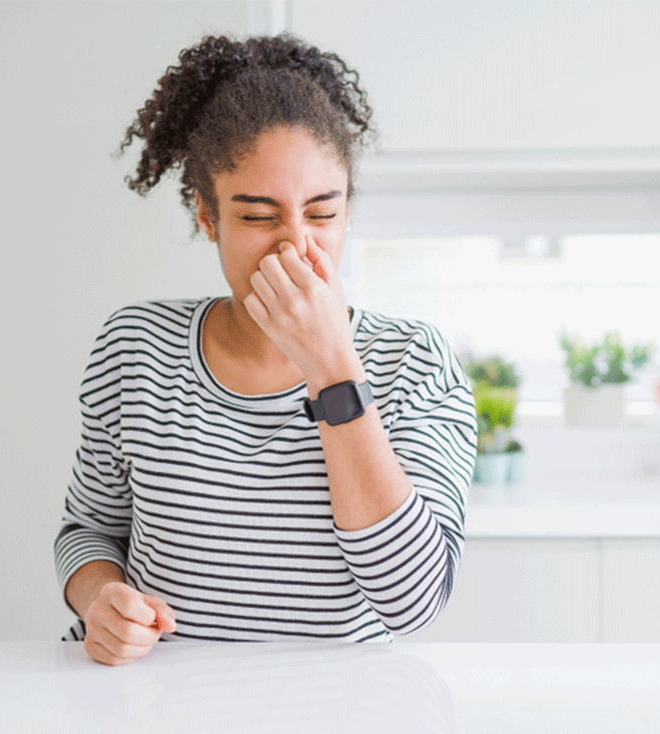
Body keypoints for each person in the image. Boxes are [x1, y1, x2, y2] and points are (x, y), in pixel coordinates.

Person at [54, 33, 477, 666]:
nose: (294, 246)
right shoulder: (136, 347)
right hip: (151, 703)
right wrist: (100, 600)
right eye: (258, 217)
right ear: (207, 215)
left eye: (322, 214)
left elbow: (412, 601)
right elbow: (87, 532)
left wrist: (332, 368)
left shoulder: (413, 361)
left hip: (334, 709)